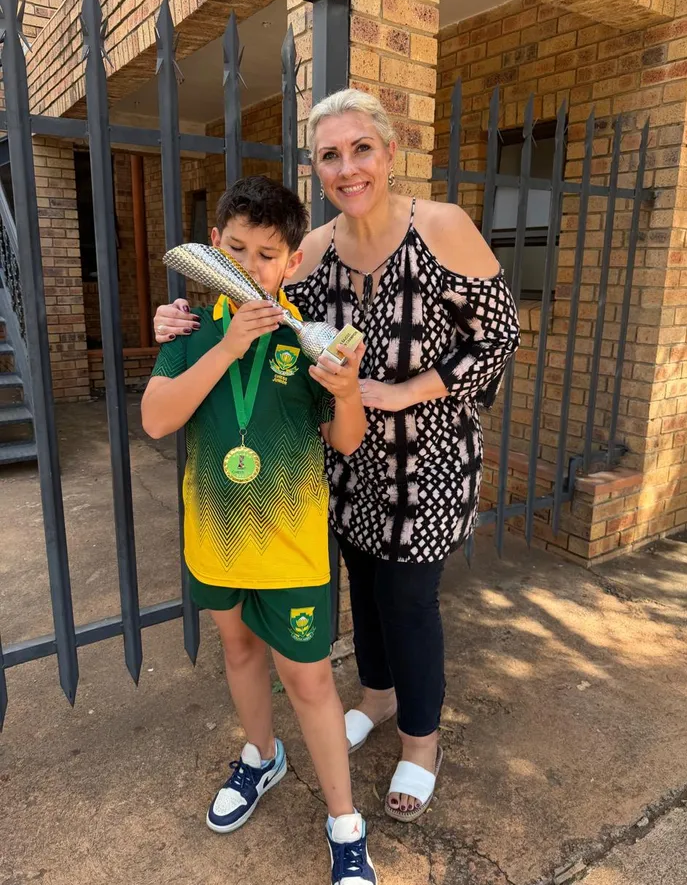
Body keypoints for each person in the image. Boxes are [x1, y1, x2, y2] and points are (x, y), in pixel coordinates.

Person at [152, 90, 521, 823]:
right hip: (344, 458)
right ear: (317, 166)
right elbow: (252, 297)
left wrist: (401, 391)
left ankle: (421, 743)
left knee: (408, 600)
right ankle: (377, 698)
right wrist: (177, 319)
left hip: (426, 457)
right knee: (365, 589)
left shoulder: (441, 226)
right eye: (330, 155)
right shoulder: (313, 247)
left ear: (388, 152)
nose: (347, 167)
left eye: (361, 149)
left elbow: (498, 337)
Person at [142, 176, 376, 885]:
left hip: (292, 546)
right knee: (239, 650)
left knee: (309, 679)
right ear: (214, 244)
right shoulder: (189, 328)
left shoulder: (310, 340)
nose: (250, 265)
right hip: (215, 539)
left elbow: (346, 440)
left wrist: (347, 391)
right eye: (236, 249)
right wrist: (224, 348)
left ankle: (344, 822)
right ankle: (261, 756)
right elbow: (157, 420)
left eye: (267, 255)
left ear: (292, 262)